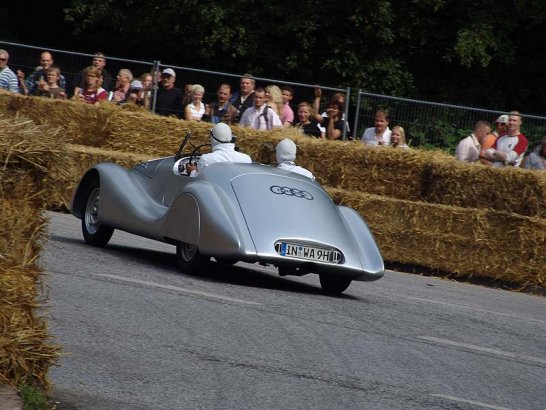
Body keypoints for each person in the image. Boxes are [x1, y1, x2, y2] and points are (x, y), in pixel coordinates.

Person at [184, 122, 252, 177]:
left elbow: (198, 180)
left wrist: (192, 171)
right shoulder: (247, 159)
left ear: (213, 139)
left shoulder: (206, 160)